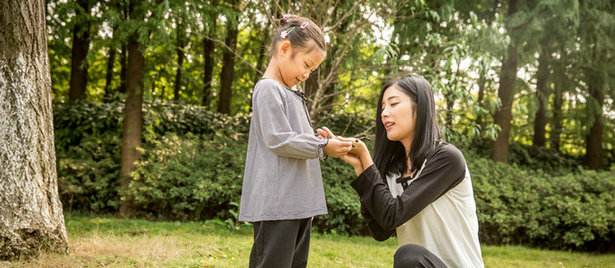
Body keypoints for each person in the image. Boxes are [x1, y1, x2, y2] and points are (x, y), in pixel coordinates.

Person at [319, 74, 484, 267]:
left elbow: (392, 216)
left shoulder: (447, 159)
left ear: (420, 107)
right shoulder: (393, 170)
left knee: (409, 255)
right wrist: (360, 168)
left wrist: (366, 158)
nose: (384, 113)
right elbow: (380, 231)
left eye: (393, 104)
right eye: (382, 107)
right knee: (409, 256)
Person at [238, 14, 353, 268]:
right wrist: (322, 147)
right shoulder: (268, 89)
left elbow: (299, 144)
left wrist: (306, 202)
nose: (306, 75)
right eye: (306, 65)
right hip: (277, 204)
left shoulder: (293, 93)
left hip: (296, 205)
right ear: (285, 48)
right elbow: (279, 140)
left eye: (312, 71)